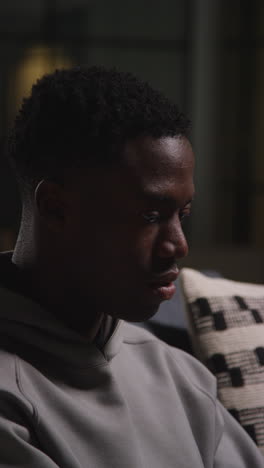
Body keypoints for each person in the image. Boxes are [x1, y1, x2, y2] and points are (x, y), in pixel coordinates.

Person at [0, 66, 262, 467]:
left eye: (183, 214)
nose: (178, 245)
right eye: (151, 215)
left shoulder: (181, 375)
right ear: (56, 207)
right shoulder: (10, 392)